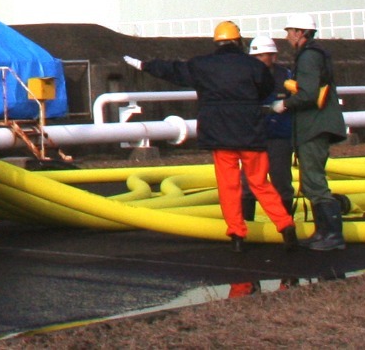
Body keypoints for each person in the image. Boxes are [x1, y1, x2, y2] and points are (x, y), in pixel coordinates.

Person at [125, 21, 299, 252]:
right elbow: (266, 89)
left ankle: (237, 235)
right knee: (259, 183)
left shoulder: (202, 65)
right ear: (239, 41)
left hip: (220, 134)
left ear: (217, 43)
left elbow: (174, 71)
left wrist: (145, 65)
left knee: (228, 186)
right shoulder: (253, 66)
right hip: (251, 133)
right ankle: (286, 226)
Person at [283, 13, 350, 251]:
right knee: (312, 181)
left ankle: (331, 235)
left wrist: (285, 104)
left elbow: (308, 93)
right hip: (316, 125)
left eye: (290, 31)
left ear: (301, 32)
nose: (287, 36)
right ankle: (323, 232)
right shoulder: (315, 54)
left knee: (314, 182)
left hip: (314, 127)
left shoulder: (309, 57)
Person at [237, 35, 295, 227]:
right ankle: (248, 225)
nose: (262, 60)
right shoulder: (245, 78)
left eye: (266, 55)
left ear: (274, 56)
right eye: (258, 56)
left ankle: (287, 224)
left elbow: (298, 99)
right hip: (253, 137)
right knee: (248, 184)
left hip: (279, 136)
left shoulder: (285, 76)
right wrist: (269, 108)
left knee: (281, 182)